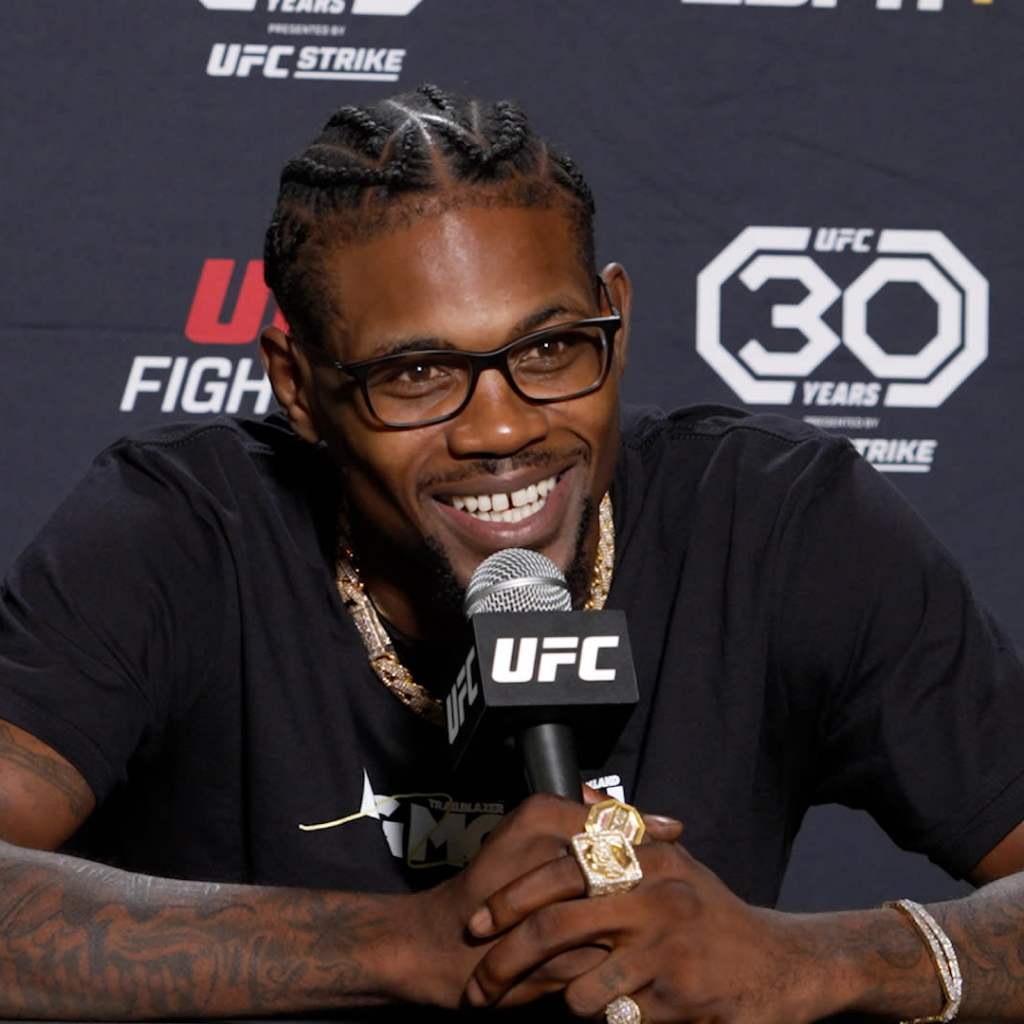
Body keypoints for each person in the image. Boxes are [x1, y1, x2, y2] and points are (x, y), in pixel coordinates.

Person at [0, 83, 1023, 1024]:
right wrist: (404, 942)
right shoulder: (180, 533)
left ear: (616, 327)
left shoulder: (781, 528)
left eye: (549, 348)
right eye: (416, 373)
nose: (500, 428)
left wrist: (817, 961)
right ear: (298, 384)